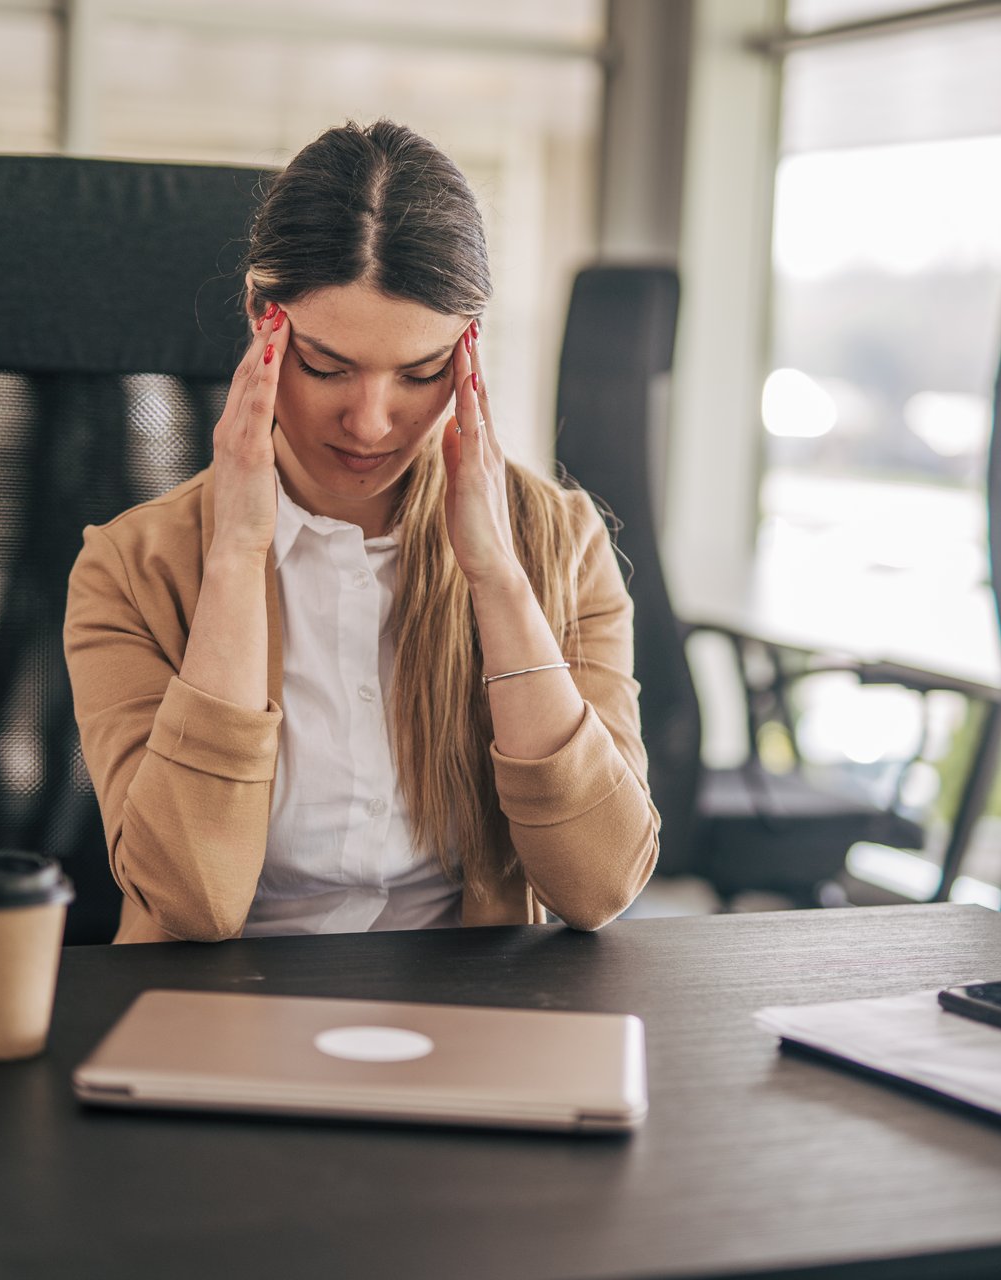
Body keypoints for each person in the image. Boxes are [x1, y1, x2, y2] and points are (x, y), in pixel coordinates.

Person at [64, 120, 660, 943]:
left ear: (466, 353)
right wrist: (237, 555)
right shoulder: (132, 568)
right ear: (259, 320)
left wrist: (496, 579)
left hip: (465, 1013)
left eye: (419, 374)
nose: (372, 423)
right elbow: (188, 900)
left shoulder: (561, 544)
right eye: (328, 366)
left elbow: (600, 885)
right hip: (225, 1014)